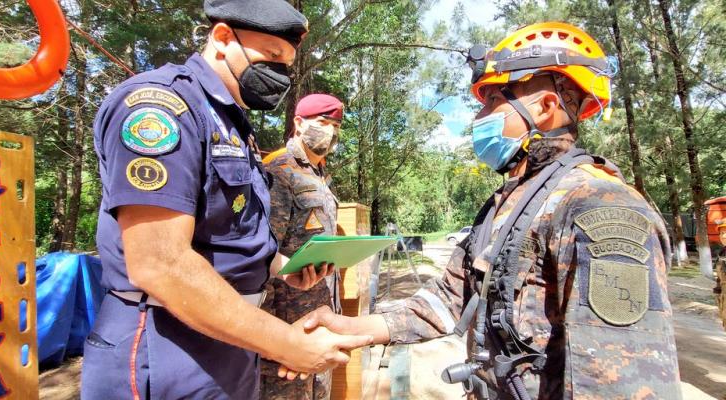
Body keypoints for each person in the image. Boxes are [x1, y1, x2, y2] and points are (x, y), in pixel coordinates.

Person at [292, 22, 683, 399]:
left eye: (494, 100)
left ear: (546, 106)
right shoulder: (509, 200)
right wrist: (356, 327)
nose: (479, 118)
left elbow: (620, 386)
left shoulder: (598, 206)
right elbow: (450, 298)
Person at [81, 1, 372, 399]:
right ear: (222, 38)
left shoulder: (232, 124)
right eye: (271, 56)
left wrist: (280, 267)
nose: (280, 73)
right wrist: (287, 344)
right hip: (167, 339)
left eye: (286, 63)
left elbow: (228, 232)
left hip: (229, 338)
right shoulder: (162, 106)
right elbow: (159, 264)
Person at [260, 94, 344, 400]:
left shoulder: (319, 174)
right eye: (323, 122)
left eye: (336, 125)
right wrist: (270, 339)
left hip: (319, 321)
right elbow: (259, 248)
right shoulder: (278, 170)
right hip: (286, 329)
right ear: (298, 123)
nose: (331, 131)